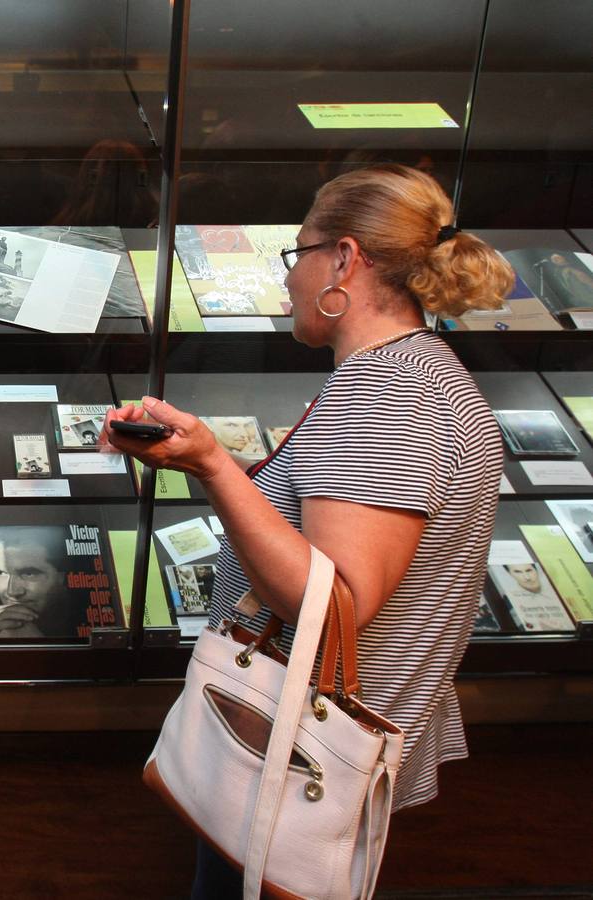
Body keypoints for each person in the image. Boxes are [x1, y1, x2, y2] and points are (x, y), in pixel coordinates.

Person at [103, 164, 510, 896]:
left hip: (290, 757)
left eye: (298, 255)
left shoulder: (385, 392)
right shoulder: (426, 373)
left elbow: (339, 601)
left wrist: (215, 470)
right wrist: (212, 458)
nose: (288, 280)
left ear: (345, 260)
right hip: (309, 750)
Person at [0, 529, 91, 638]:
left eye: (29, 573)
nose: (11, 591)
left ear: (63, 576)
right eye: (0, 572)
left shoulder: (92, 614)